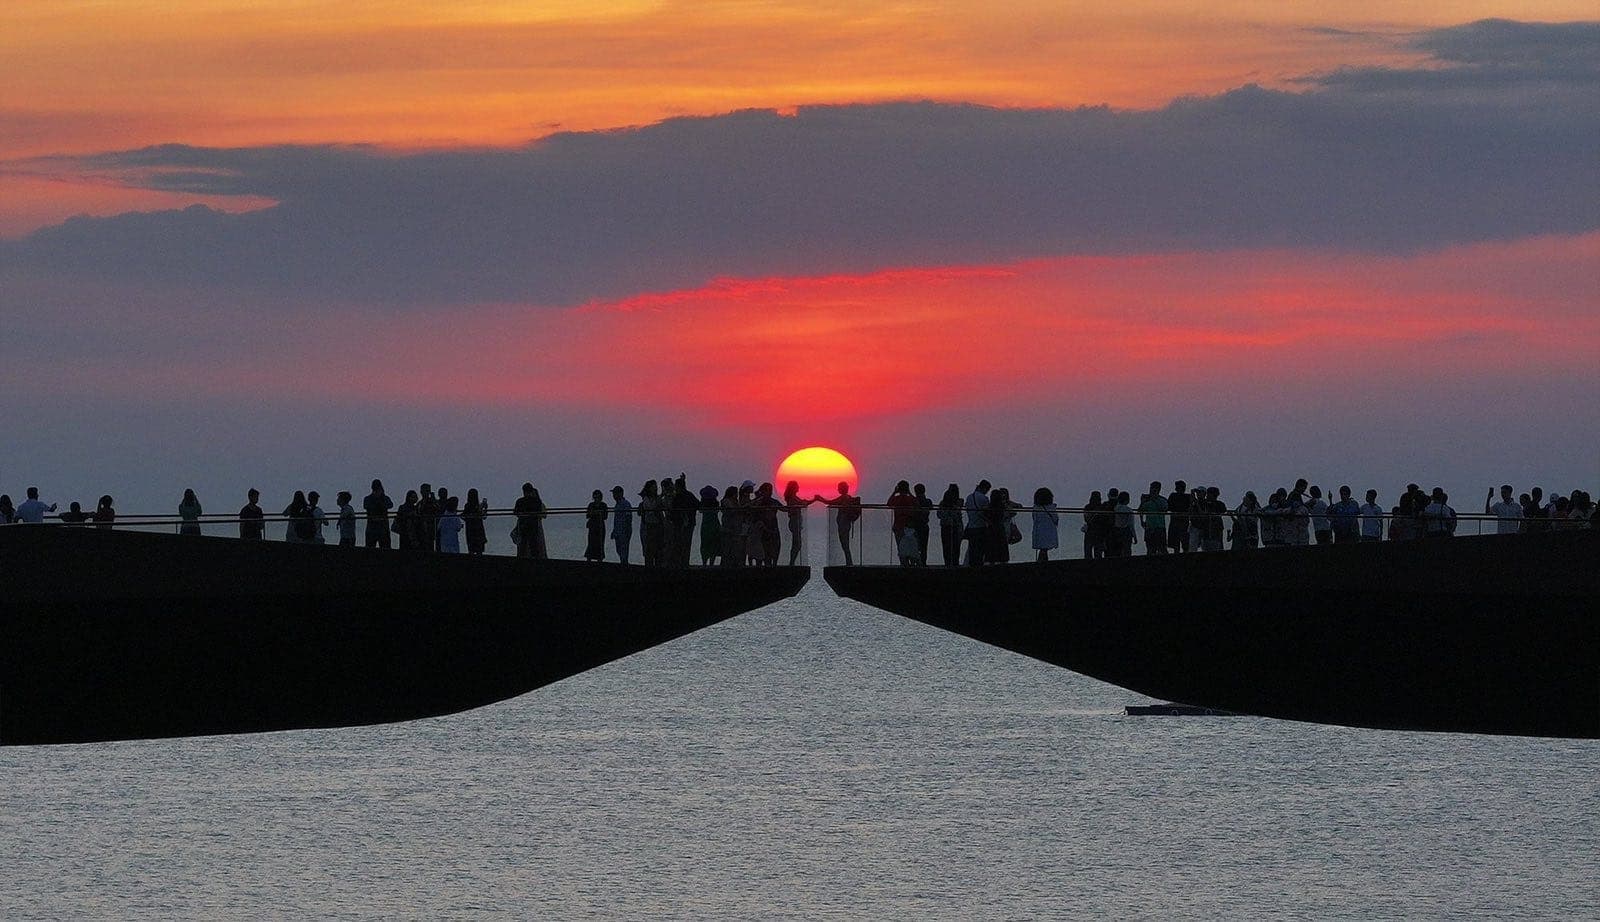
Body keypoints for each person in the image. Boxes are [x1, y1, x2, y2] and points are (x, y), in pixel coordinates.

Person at [817, 481, 861, 566]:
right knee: (845, 543)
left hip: (843, 524)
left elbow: (830, 502)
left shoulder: (843, 498)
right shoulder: (847, 497)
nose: (838, 489)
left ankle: (849, 562)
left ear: (842, 489)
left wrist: (819, 499)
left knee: (844, 543)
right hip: (845, 523)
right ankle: (849, 562)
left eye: (839, 487)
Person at [782, 481, 812, 566]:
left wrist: (812, 500)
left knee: (796, 543)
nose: (798, 487)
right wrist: (814, 500)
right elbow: (803, 503)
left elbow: (803, 503)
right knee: (797, 543)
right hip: (794, 522)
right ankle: (792, 562)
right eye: (797, 486)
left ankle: (792, 562)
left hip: (796, 521)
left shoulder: (793, 497)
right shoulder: (792, 498)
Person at [887, 480, 917, 566]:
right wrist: (910, 493)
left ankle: (903, 564)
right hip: (910, 526)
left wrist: (894, 492)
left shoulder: (896, 499)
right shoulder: (910, 499)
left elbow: (889, 503)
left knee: (901, 547)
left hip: (898, 526)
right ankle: (912, 564)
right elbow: (916, 503)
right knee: (911, 547)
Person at [963, 480, 991, 566]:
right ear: (985, 488)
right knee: (980, 550)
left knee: (972, 549)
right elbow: (987, 513)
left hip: (971, 527)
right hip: (981, 527)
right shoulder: (984, 498)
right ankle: (979, 567)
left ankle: (971, 567)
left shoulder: (969, 497)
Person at [638, 480, 664, 566]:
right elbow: (650, 508)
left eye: (655, 486)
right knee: (649, 548)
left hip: (657, 525)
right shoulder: (646, 499)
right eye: (653, 486)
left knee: (657, 548)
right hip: (649, 526)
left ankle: (657, 565)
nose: (655, 488)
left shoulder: (658, 498)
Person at [936, 484, 963, 566]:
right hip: (955, 526)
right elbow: (957, 515)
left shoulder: (942, 503)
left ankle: (947, 563)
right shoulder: (958, 503)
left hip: (945, 526)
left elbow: (939, 514)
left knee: (946, 546)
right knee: (956, 546)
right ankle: (955, 563)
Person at [1138, 483, 1167, 555]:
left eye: (1153, 488)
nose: (1151, 490)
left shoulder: (1163, 500)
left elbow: (1164, 509)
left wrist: (1154, 499)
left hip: (1159, 527)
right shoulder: (1147, 501)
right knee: (1150, 549)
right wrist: (1142, 501)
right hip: (1149, 527)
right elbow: (1140, 510)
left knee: (1162, 548)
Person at [363, 480, 393, 549]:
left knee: (372, 548)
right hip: (378, 527)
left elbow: (390, 505)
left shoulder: (368, 499)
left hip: (376, 527)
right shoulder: (369, 499)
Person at [719, 485, 744, 567]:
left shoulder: (736, 502)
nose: (736, 495)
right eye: (736, 493)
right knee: (726, 548)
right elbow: (731, 510)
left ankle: (733, 564)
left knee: (735, 549)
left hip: (735, 529)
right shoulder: (725, 501)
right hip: (727, 528)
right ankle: (725, 565)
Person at [1031, 487, 1059, 562]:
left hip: (1038, 531)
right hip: (1049, 531)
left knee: (1042, 550)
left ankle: (1041, 563)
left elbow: (1034, 518)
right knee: (1044, 550)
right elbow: (1055, 519)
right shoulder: (1052, 508)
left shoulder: (1035, 508)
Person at [699, 485, 723, 566]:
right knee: (714, 544)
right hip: (714, 524)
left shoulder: (703, 504)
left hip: (705, 525)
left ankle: (704, 563)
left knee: (705, 544)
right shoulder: (716, 503)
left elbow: (700, 511)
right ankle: (711, 564)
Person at [1166, 481, 1191, 553]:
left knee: (1182, 544)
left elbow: (1168, 507)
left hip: (1180, 522)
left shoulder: (1174, 496)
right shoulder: (1185, 497)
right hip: (1178, 522)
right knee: (1177, 545)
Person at [610, 486, 633, 563]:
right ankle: (623, 563)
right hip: (618, 531)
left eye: (615, 493)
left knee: (624, 550)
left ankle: (624, 565)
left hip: (624, 530)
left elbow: (628, 517)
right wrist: (614, 531)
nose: (613, 495)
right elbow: (616, 520)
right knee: (619, 550)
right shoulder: (617, 505)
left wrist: (627, 529)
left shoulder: (626, 504)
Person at [1110, 490, 1137, 556]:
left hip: (1116, 530)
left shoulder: (1115, 508)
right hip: (1126, 531)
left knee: (1117, 550)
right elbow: (1131, 524)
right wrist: (1135, 536)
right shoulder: (1129, 510)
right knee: (1127, 550)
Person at [584, 489, 608, 561]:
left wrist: (595, 513)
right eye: (595, 497)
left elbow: (605, 516)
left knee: (600, 544)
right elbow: (587, 515)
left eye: (598, 497)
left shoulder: (603, 505)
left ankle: (599, 560)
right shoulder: (591, 505)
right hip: (592, 527)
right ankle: (589, 560)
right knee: (591, 543)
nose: (596, 498)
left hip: (600, 527)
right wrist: (594, 513)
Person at [1081, 490, 1105, 559]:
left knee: (1088, 552)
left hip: (1089, 531)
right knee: (1098, 553)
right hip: (1099, 531)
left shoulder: (1087, 507)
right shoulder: (1102, 507)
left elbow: (1086, 519)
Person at [417, 484, 441, 553]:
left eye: (428, 491)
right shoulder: (420, 503)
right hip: (423, 528)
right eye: (425, 491)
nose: (426, 493)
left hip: (433, 527)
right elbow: (419, 512)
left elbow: (438, 509)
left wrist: (434, 500)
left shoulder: (433, 502)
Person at [463, 489, 488, 555]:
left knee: (471, 549)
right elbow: (484, 517)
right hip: (479, 529)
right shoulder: (478, 506)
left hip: (470, 529)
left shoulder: (467, 505)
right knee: (479, 550)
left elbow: (463, 516)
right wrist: (485, 509)